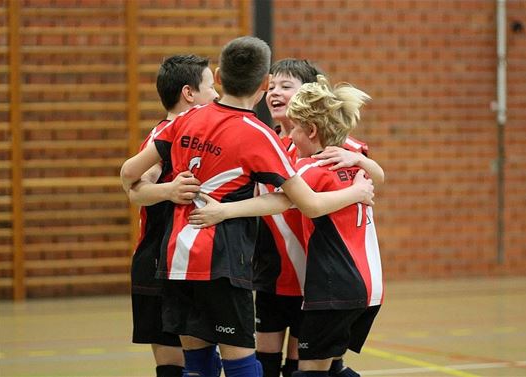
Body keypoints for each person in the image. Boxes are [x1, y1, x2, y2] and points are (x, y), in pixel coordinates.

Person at [120, 36, 374, 377]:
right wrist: (359, 191)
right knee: (241, 364)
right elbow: (306, 203)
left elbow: (129, 176)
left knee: (196, 365)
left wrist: (168, 190)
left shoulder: (184, 120)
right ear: (264, 84)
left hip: (175, 258)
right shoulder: (258, 135)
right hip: (223, 259)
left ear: (220, 76)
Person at [189, 75, 383, 377]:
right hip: (369, 286)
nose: (290, 137)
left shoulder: (311, 167)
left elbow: (281, 200)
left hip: (335, 284)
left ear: (312, 131)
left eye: (294, 130)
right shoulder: (352, 162)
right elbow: (378, 176)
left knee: (309, 371)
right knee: (330, 367)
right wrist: (359, 182)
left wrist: (223, 211)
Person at [255, 58, 384, 377]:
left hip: (315, 276)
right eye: (272, 86)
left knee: (314, 364)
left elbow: (371, 176)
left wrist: (358, 161)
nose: (276, 92)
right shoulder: (263, 142)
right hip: (273, 271)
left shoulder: (330, 149)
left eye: (287, 86)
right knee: (267, 362)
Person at [124, 54, 218, 377]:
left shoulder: (204, 137)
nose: (217, 95)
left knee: (204, 361)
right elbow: (135, 187)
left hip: (191, 261)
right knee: (173, 367)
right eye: (210, 87)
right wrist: (169, 191)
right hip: (157, 262)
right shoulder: (163, 136)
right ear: (189, 93)